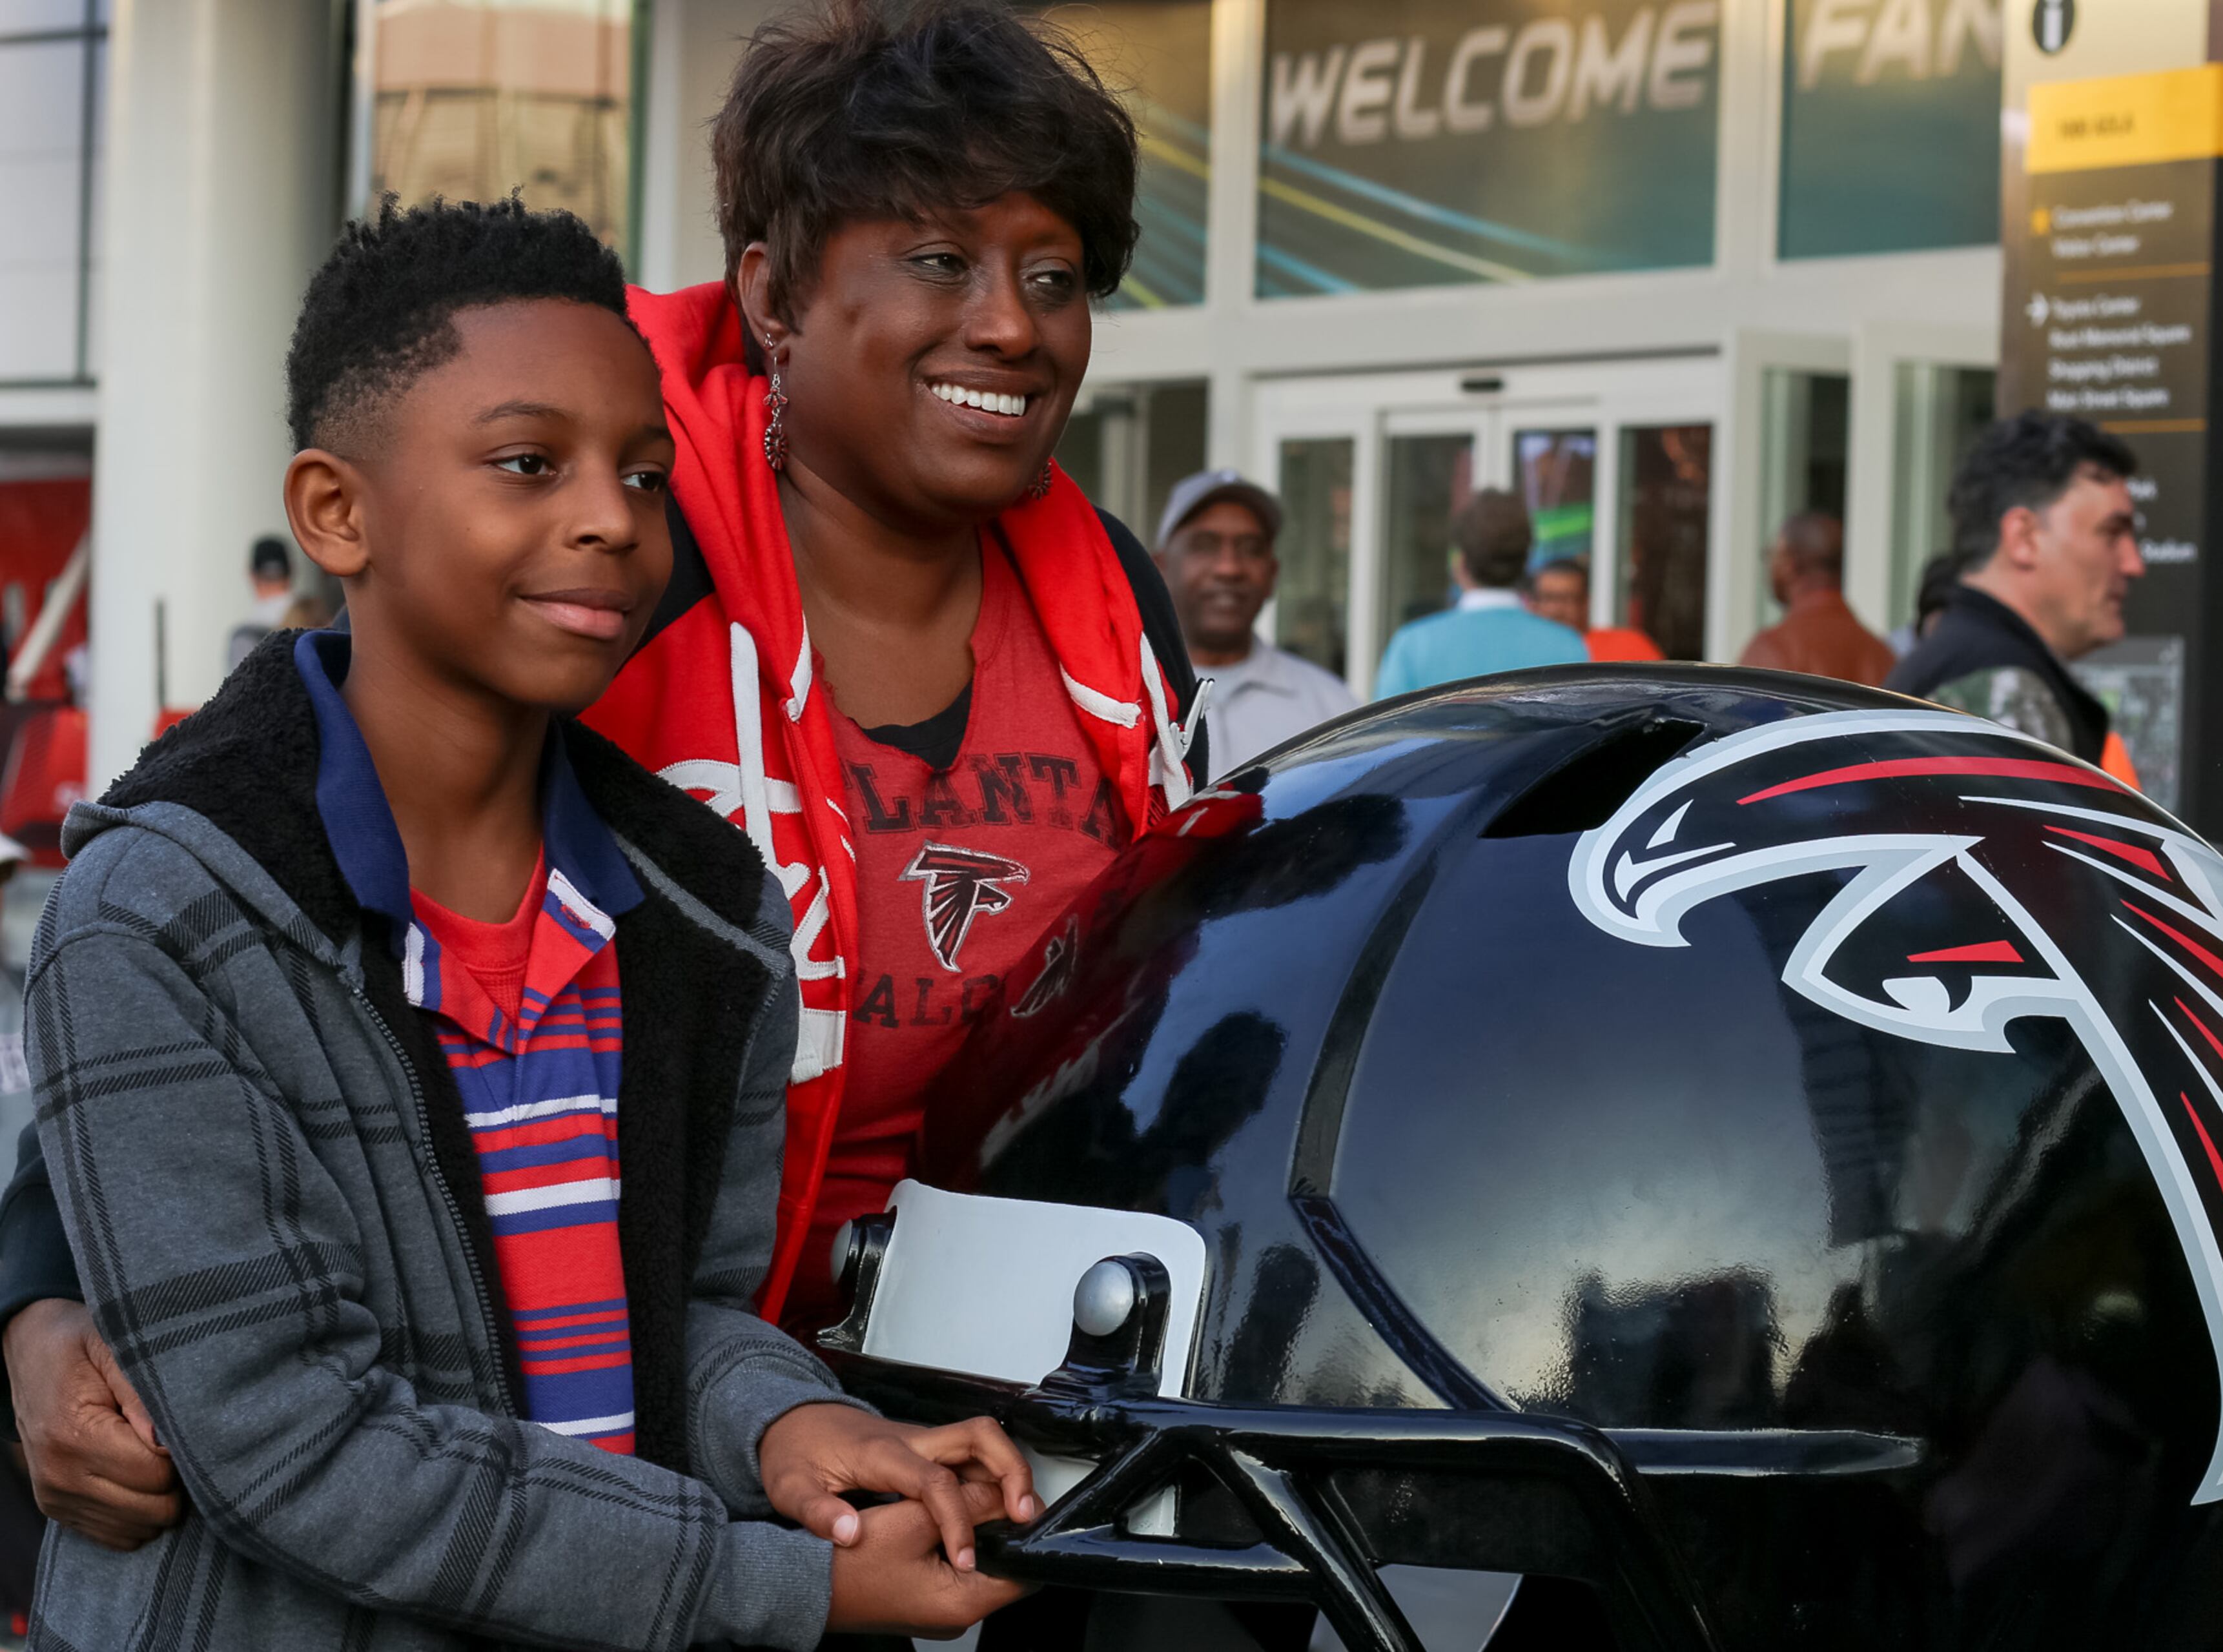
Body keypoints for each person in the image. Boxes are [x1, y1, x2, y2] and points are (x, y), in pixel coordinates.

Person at [0, 0, 1204, 1555]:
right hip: (607, 1429)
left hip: (1005, 1414)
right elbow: (224, 878)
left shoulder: (1110, 598)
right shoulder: (612, 559)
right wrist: (35, 1295)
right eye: (937, 261)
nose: (1008, 325)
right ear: (771, 293)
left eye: (1052, 278)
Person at [1883, 411, 2144, 766]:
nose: (2133, 564)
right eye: (2112, 533)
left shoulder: (1957, 665)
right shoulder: (2004, 690)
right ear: (2024, 538)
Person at [1152, 467, 1357, 776]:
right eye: (1205, 545)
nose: (1229, 568)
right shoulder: (1122, 702)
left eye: (1251, 549)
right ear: (1161, 568)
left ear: (1272, 574)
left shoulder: (1333, 712)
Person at [1373, 489, 1588, 697]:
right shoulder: (1567, 647)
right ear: (1524, 562)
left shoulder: (1412, 646)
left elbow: (1382, 732)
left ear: (1461, 564)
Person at [1734, 512, 1894, 686]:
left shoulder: (1772, 649)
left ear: (1789, 564)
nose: (1769, 564)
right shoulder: (1881, 654)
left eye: (1772, 554)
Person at [1523, 555, 1663, 662]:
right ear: (1532, 604)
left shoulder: (1630, 646)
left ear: (1586, 602)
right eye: (1549, 598)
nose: (1557, 609)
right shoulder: (1522, 651)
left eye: (1567, 598)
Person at [222, 534, 296, 670]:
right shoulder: (317, 618)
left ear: (251, 575)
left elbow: (240, 689)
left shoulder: (244, 636)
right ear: (291, 570)